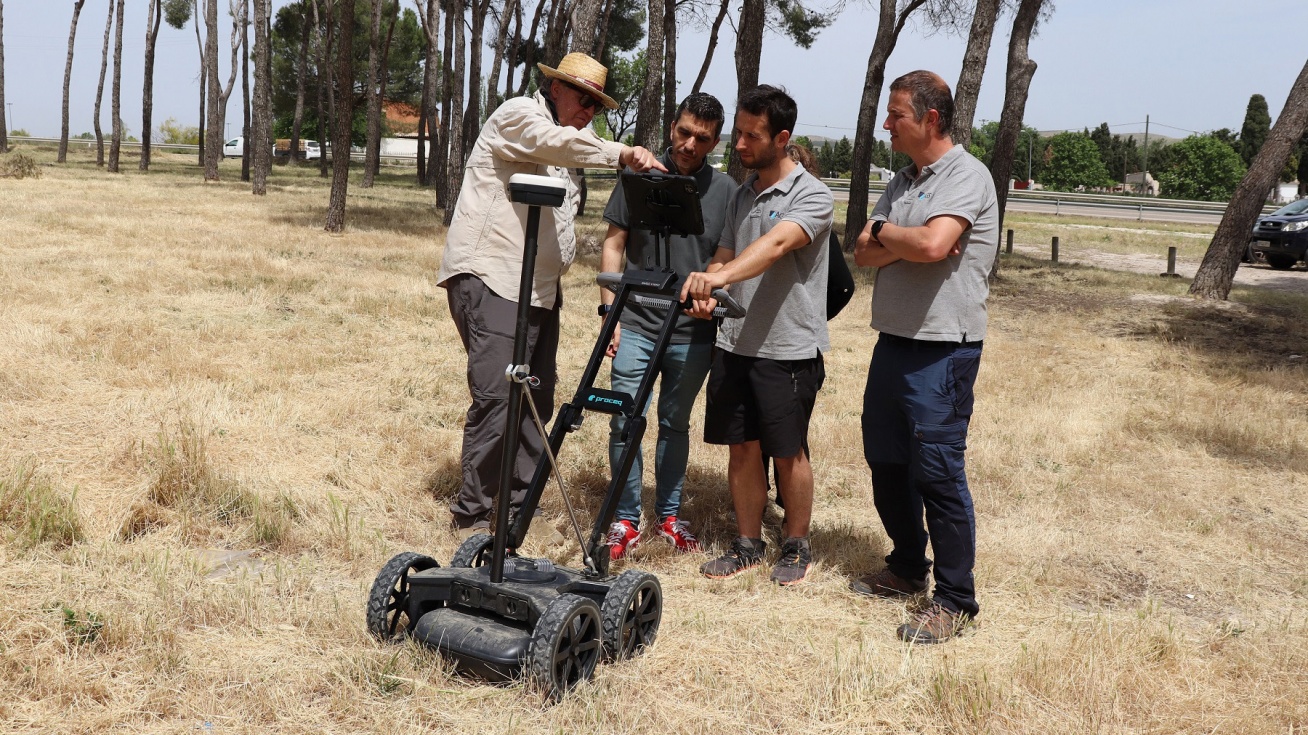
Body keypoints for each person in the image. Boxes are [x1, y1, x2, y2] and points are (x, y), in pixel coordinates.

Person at [437, 52, 665, 541]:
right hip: (495, 278)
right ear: (557, 88)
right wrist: (620, 152)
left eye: (596, 108)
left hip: (539, 290)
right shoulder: (519, 115)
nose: (588, 113)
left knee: (536, 397)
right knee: (499, 395)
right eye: (583, 100)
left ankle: (522, 508)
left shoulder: (569, 143)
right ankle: (473, 514)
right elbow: (554, 144)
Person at [848, 70, 999, 644]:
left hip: (944, 351)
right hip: (894, 342)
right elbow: (863, 252)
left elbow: (937, 247)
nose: (886, 123)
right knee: (886, 463)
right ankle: (908, 565)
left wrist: (893, 236)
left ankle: (956, 599)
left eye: (897, 115)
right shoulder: (903, 181)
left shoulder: (967, 175)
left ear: (931, 119)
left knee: (937, 473)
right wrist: (894, 234)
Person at [680, 85, 833, 586]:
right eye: (739, 132)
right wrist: (708, 285)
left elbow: (775, 245)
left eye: (752, 135)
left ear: (782, 138)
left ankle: (796, 544)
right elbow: (725, 252)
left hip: (786, 347)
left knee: (789, 451)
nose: (739, 144)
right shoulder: (742, 193)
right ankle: (747, 543)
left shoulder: (812, 195)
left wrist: (720, 278)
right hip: (734, 342)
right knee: (741, 447)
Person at [599, 93, 735, 560]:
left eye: (703, 138)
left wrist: (709, 294)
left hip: (690, 333)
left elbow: (725, 256)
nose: (690, 144)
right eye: (684, 132)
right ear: (672, 125)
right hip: (634, 321)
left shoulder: (726, 191)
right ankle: (625, 519)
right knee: (624, 418)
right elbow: (614, 245)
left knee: (675, 424)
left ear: (716, 142)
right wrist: (608, 312)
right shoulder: (638, 176)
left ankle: (670, 516)